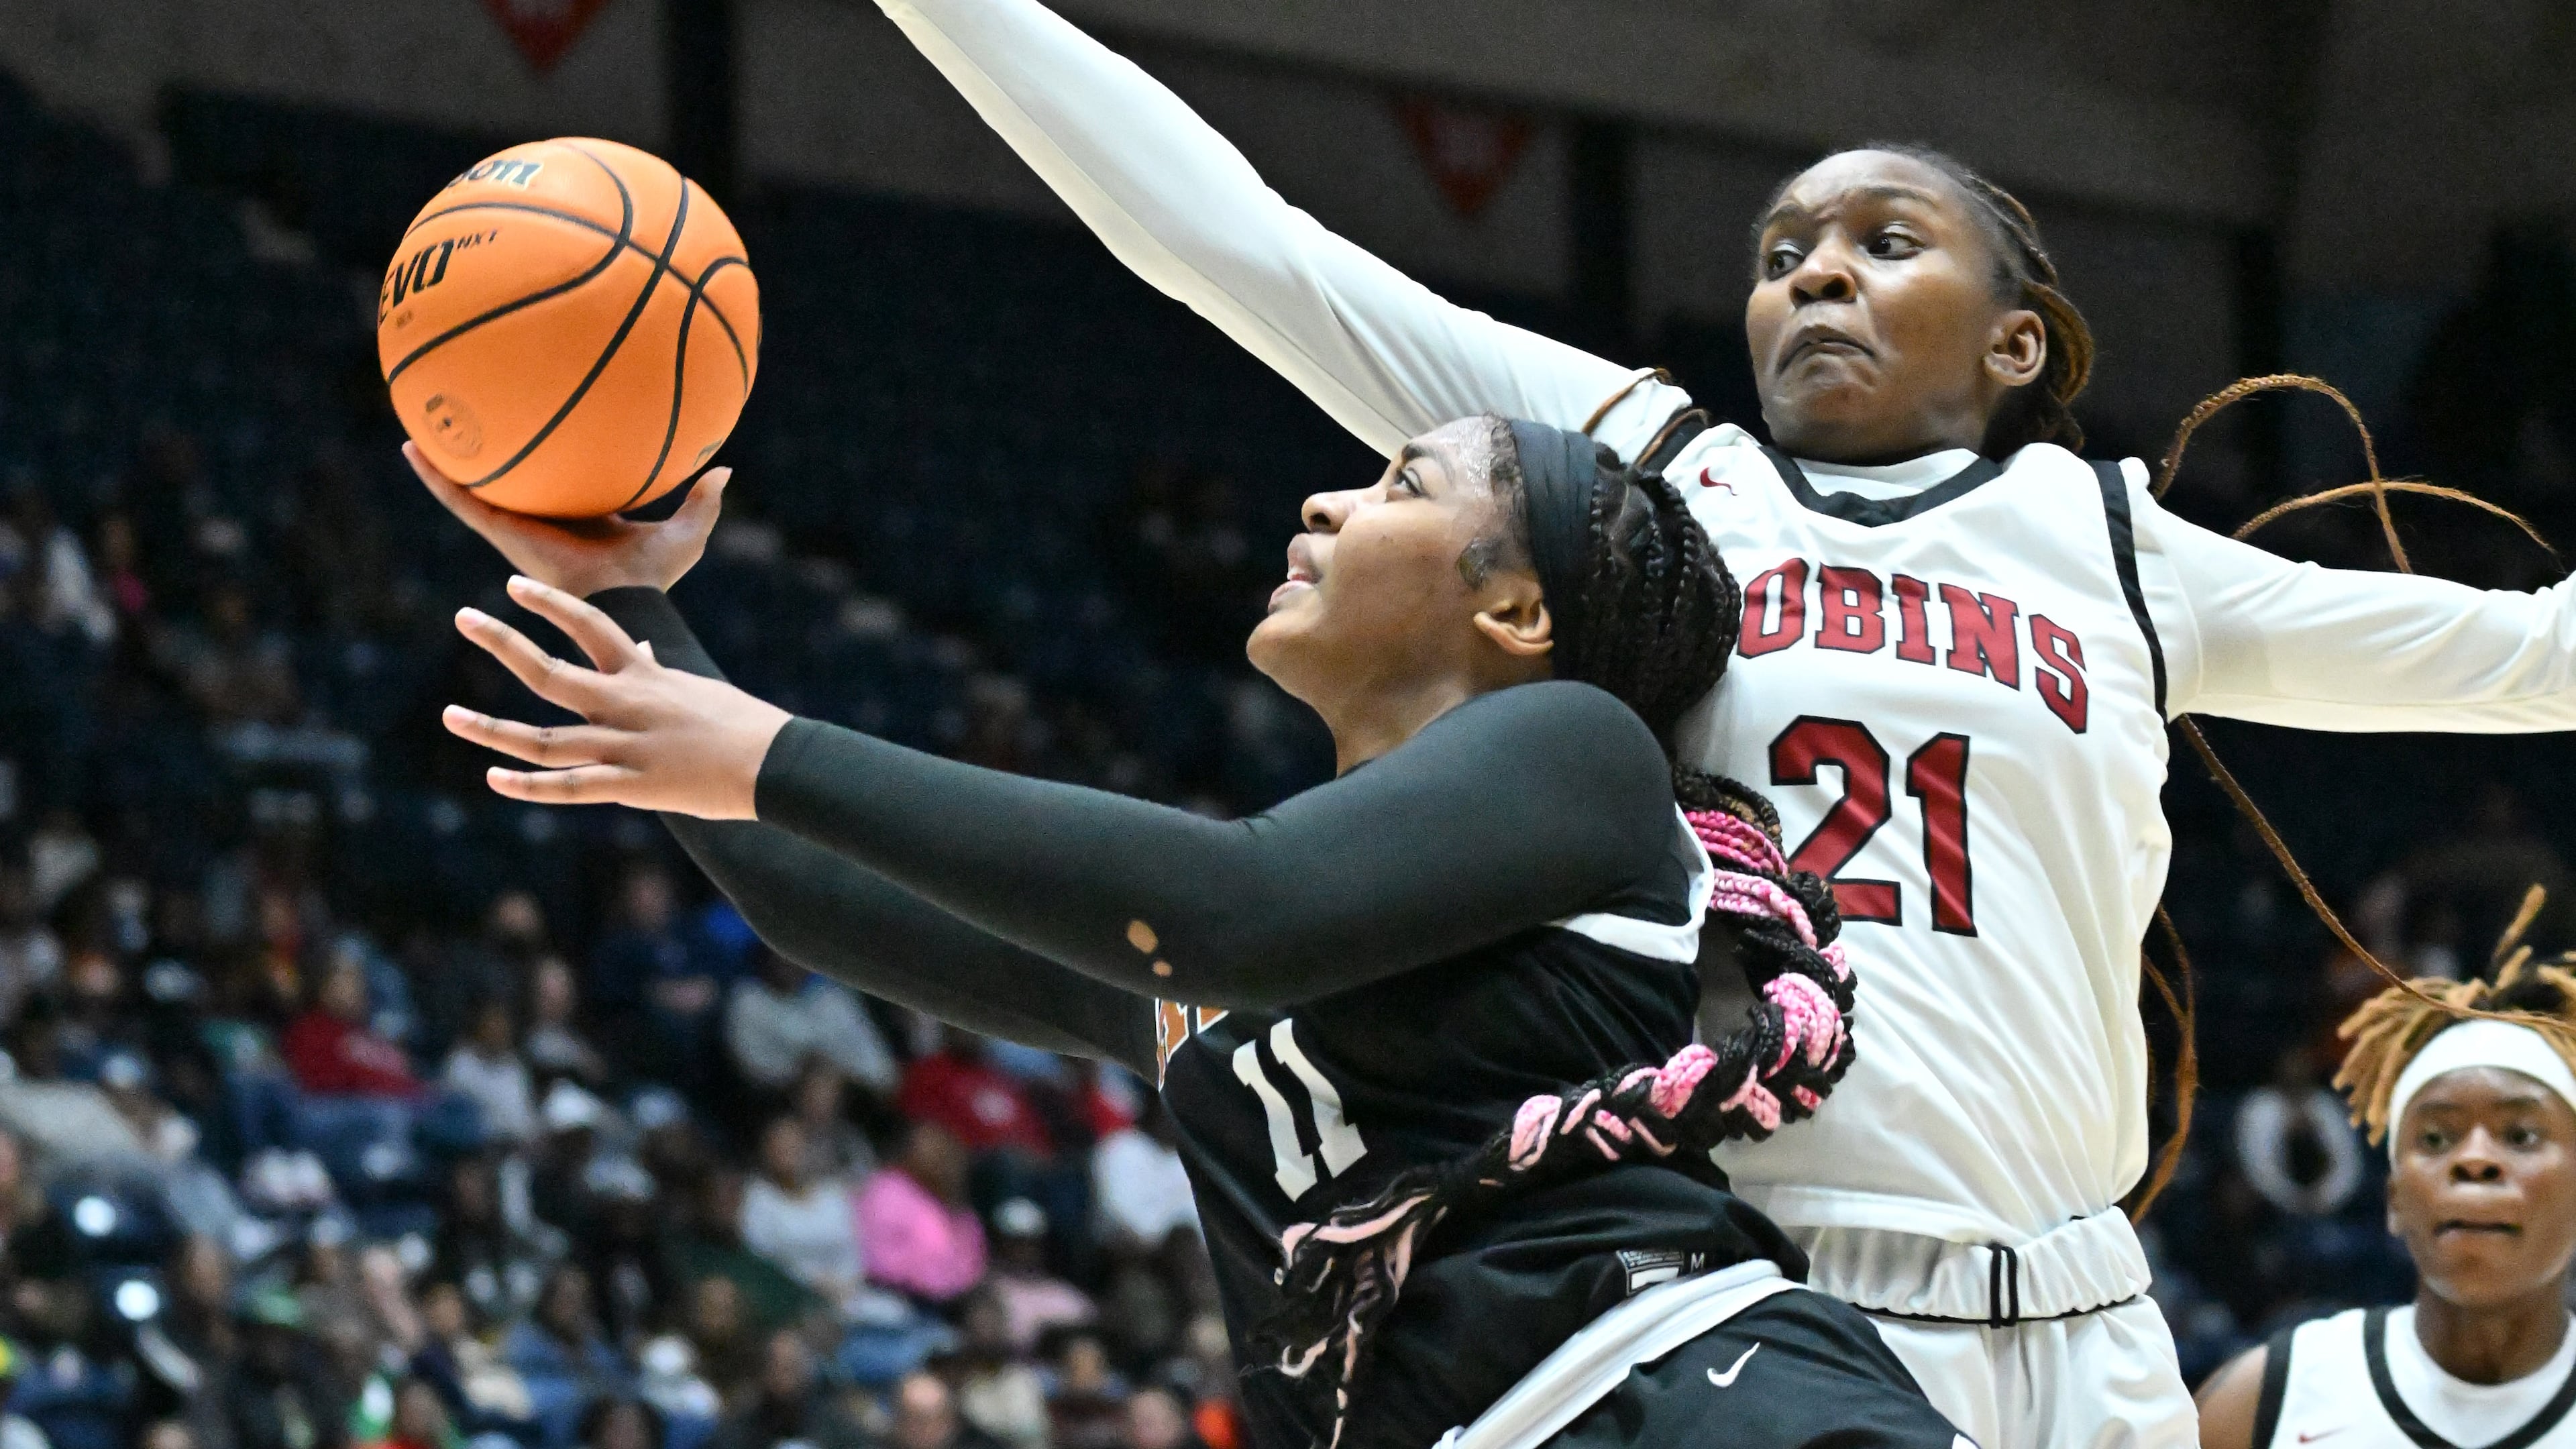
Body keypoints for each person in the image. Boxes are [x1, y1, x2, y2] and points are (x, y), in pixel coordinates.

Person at [854, 1, 2576, 1442]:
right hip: (1766, 1290)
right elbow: (1236, 247)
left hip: (2088, 1313)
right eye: (1778, 257)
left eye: (1879, 246)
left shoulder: (2120, 549)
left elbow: (2523, 659)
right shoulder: (1657, 468)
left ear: (2013, 339)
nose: (1812, 276)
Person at [412, 397, 1945, 1449]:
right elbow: (815, 891)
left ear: (1520, 615)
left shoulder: (1581, 755)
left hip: (1688, 1397)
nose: (1327, 498)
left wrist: (765, 748)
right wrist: (627, 605)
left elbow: (1223, 909)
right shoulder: (1230, 954)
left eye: (1403, 483)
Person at [2198, 930, 2576, 1449]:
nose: (2476, 1159)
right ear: (2395, 1198)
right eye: (2437, 1137)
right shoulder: (2263, 1401)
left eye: (2522, 1135)